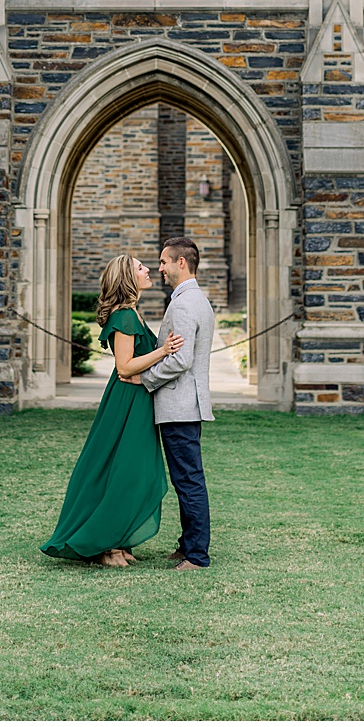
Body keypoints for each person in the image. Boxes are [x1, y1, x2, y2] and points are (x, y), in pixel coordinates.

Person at [42, 254, 183, 566]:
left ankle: (117, 544)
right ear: (127, 278)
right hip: (126, 402)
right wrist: (163, 351)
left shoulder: (133, 313)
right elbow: (124, 366)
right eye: (140, 267)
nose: (148, 270)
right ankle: (104, 545)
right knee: (123, 473)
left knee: (131, 473)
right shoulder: (125, 317)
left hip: (138, 400)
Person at [143, 235, 217, 570]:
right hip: (186, 404)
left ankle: (197, 556)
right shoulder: (195, 299)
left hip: (180, 404)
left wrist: (145, 379)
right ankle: (188, 545)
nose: (159, 268)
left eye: (163, 262)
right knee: (186, 479)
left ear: (180, 262)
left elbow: (180, 360)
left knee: (188, 480)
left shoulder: (185, 304)